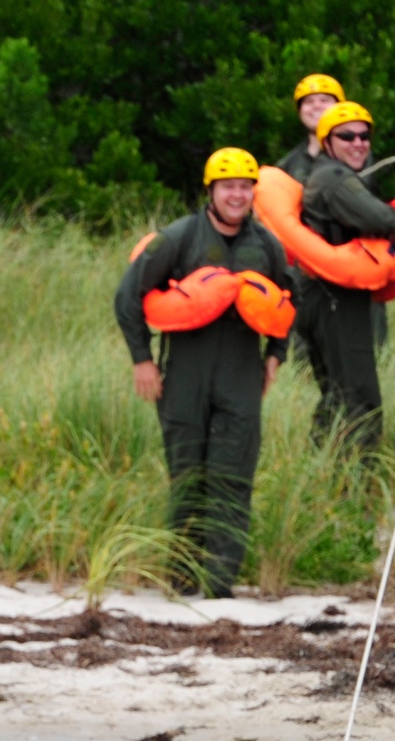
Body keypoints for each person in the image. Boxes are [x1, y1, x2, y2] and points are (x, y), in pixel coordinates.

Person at [114, 148, 292, 599]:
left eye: (245, 186)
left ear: (254, 191)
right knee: (187, 475)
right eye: (227, 186)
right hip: (185, 372)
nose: (237, 194)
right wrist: (142, 360)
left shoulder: (267, 244)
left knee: (233, 478)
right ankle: (180, 576)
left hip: (240, 372)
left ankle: (219, 583)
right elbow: (128, 296)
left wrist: (276, 356)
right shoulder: (178, 238)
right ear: (210, 190)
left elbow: (291, 302)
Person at [297, 101, 395, 449]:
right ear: (328, 142)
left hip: (321, 298)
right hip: (334, 301)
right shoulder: (334, 178)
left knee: (336, 393)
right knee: (360, 397)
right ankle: (357, 483)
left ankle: (322, 466)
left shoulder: (332, 174)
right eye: (347, 136)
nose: (359, 143)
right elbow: (383, 219)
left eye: (364, 136)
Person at [276, 73, 346, 185]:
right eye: (309, 101)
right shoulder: (288, 164)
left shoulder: (355, 152)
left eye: (324, 100)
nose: (316, 106)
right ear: (300, 112)